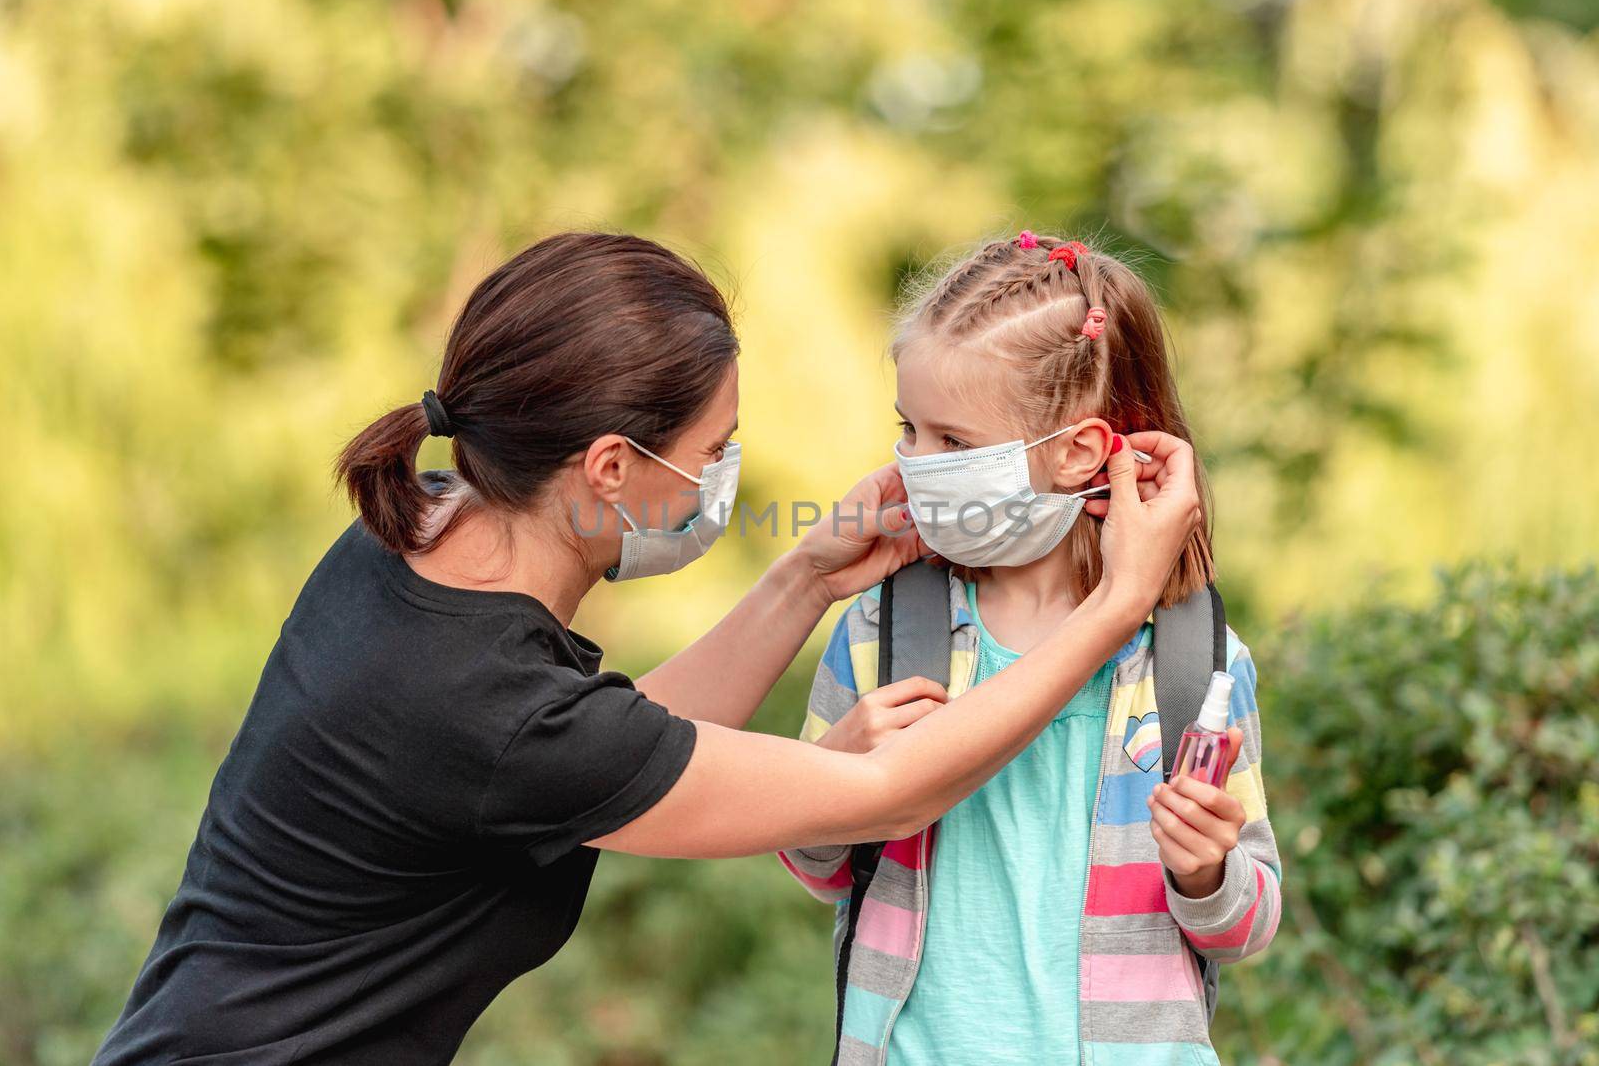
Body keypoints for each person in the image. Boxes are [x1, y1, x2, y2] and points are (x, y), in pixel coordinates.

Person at [93, 231, 1201, 1065]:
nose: (725, 474)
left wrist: (803, 575)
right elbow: (887, 792)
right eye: (713, 448)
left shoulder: (414, 535)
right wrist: (1119, 606)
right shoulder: (488, 708)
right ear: (612, 467)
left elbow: (617, 749)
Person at [779, 232, 1282, 1066]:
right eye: (909, 429)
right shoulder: (885, 630)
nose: (915, 464)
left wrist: (1206, 872)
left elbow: (1247, 922)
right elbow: (823, 870)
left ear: (1079, 451)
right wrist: (829, 779)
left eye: (954, 442)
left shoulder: (1197, 661)